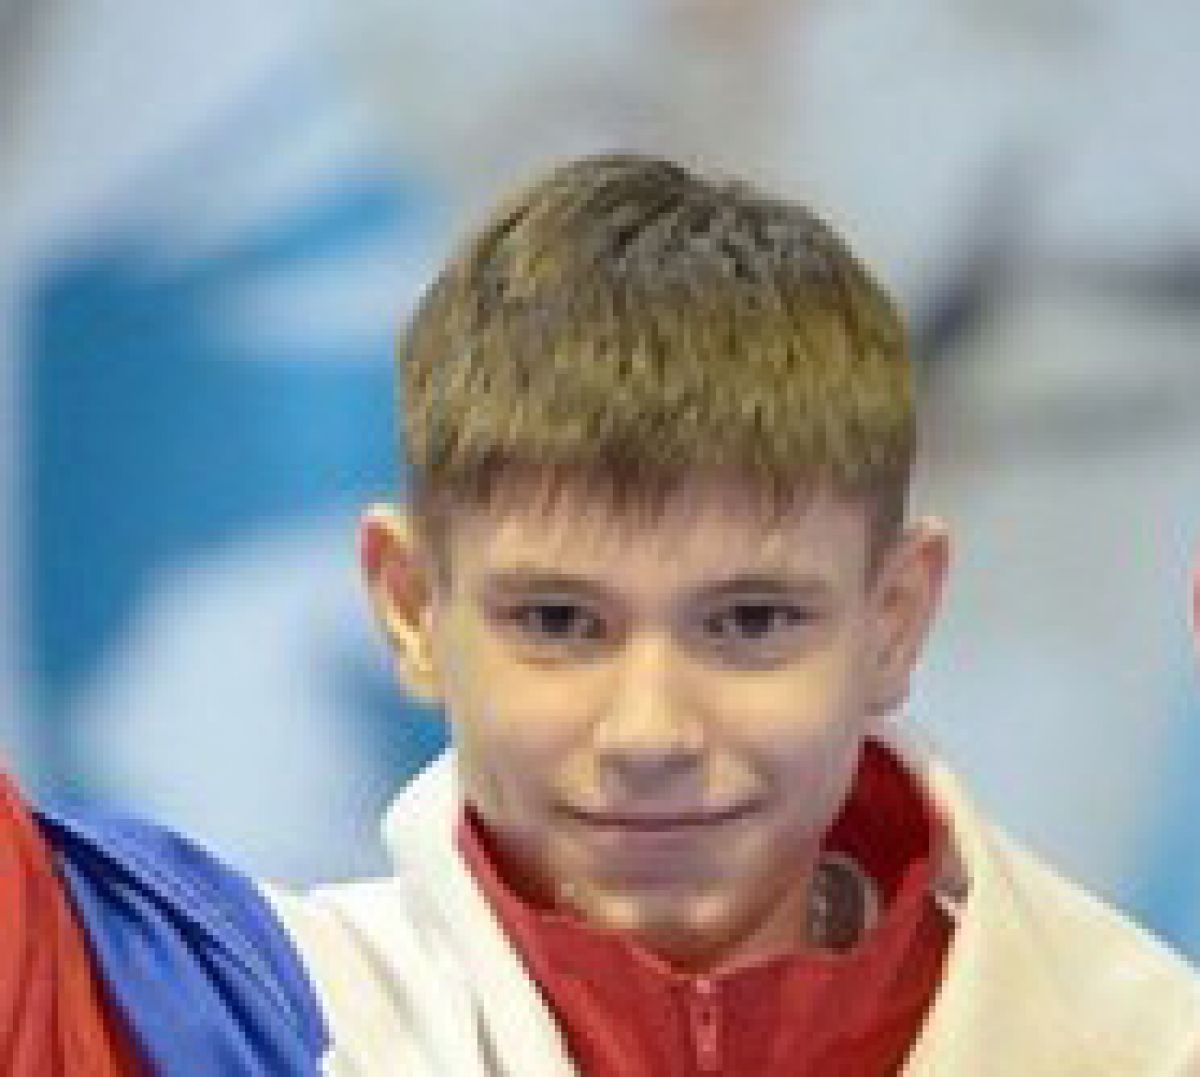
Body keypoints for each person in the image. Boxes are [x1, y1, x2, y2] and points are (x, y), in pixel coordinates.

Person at [3, 153, 1199, 1075]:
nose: (649, 732)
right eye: (560, 622)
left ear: (894, 618)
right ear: (411, 606)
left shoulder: (1143, 1046)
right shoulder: (210, 1018)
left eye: (751, 622)